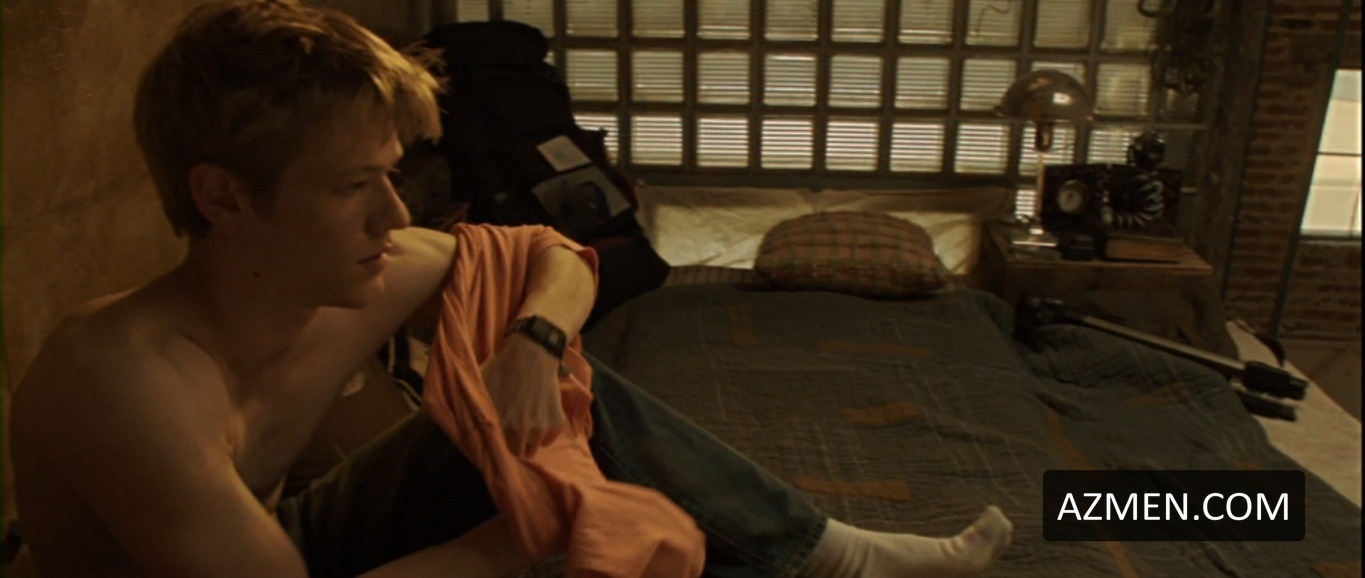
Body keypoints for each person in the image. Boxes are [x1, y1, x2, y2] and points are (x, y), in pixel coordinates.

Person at [8, 1, 1013, 577]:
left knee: (555, 402)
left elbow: (558, 254)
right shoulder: (121, 384)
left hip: (284, 537)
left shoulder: (360, 273)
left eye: (391, 177)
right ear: (224, 197)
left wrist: (535, 342)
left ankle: (829, 554)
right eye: (353, 188)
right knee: (563, 503)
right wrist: (527, 539)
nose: (393, 215)